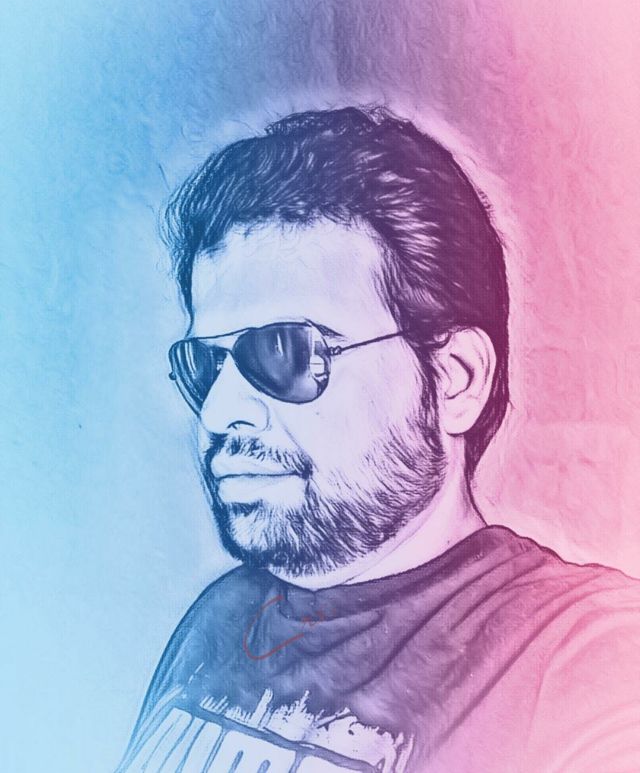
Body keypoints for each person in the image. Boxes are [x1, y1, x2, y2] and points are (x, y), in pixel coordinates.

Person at [117, 107, 640, 772]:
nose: (219, 413)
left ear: (454, 380)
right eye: (206, 365)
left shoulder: (579, 658)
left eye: (285, 352)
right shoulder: (219, 618)